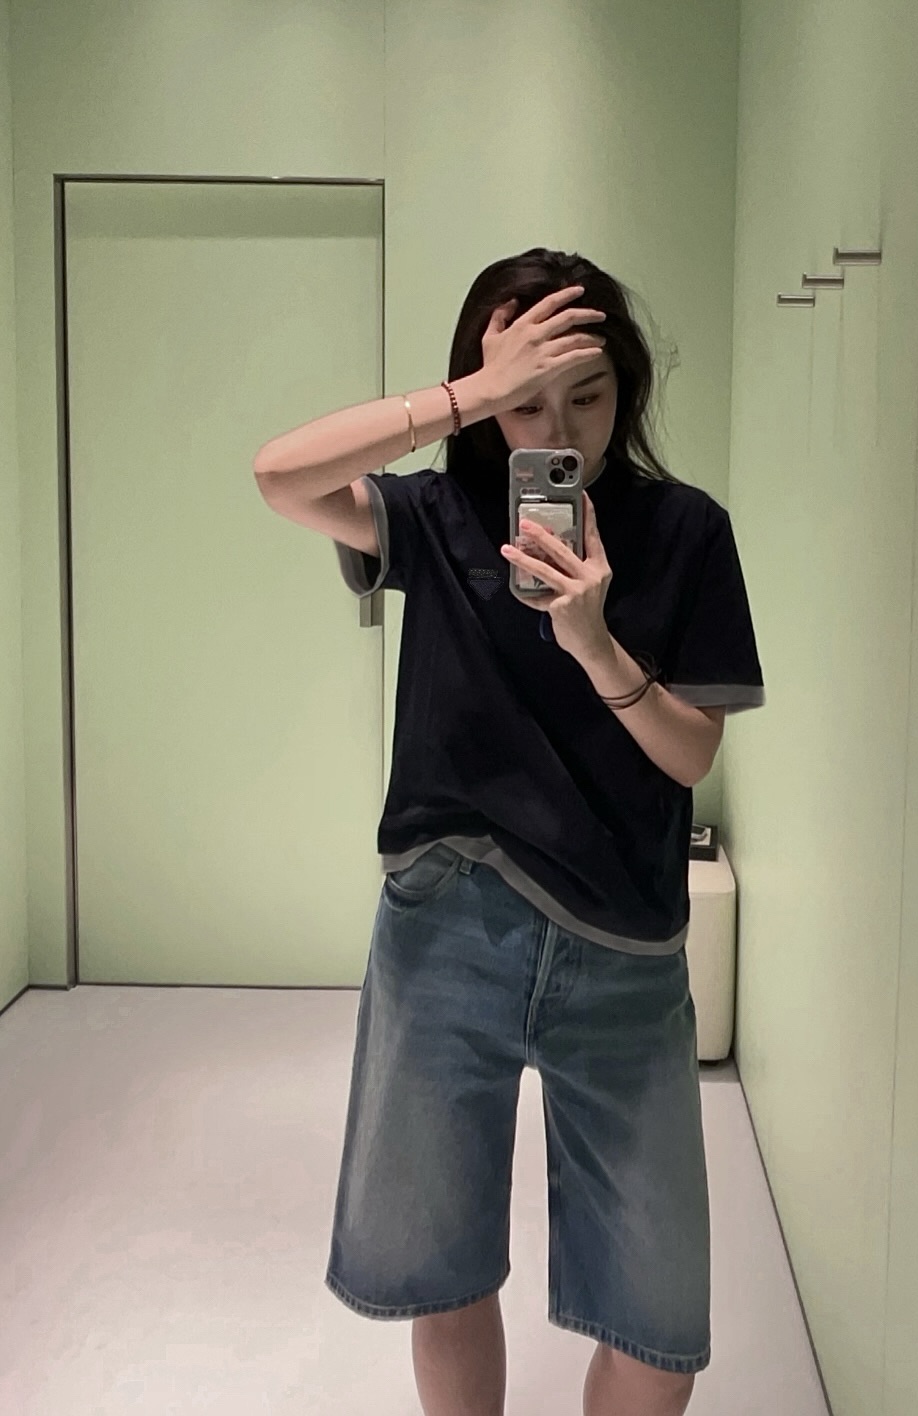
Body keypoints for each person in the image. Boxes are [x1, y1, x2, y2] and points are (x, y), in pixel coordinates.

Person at [253, 248, 765, 1416]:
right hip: (446, 932)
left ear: (628, 388)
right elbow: (279, 474)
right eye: (528, 401)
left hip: (624, 951)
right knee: (442, 1279)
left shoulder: (685, 531)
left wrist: (595, 644)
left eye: (587, 394)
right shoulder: (434, 516)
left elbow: (690, 755)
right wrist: (466, 398)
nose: (561, 428)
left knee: (660, 1328)